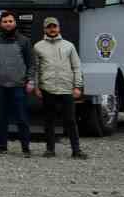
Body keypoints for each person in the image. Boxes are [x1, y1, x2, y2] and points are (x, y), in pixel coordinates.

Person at [33, 17, 85, 159]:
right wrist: (37, 87)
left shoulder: (69, 46)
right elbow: (36, 69)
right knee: (49, 120)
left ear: (59, 28)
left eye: (54, 26)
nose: (52, 29)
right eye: (49, 27)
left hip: (67, 88)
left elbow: (77, 67)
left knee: (70, 120)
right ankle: (50, 149)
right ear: (44, 29)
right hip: (47, 88)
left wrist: (78, 86)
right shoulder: (38, 46)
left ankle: (76, 150)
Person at [0, 12, 36, 155]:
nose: (8, 24)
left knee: (22, 118)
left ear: (15, 23)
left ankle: (25, 147)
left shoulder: (24, 41)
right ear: (1, 24)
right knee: (1, 118)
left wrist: (30, 81)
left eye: (10, 21)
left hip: (19, 86)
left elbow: (31, 64)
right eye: (5, 21)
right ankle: (2, 146)